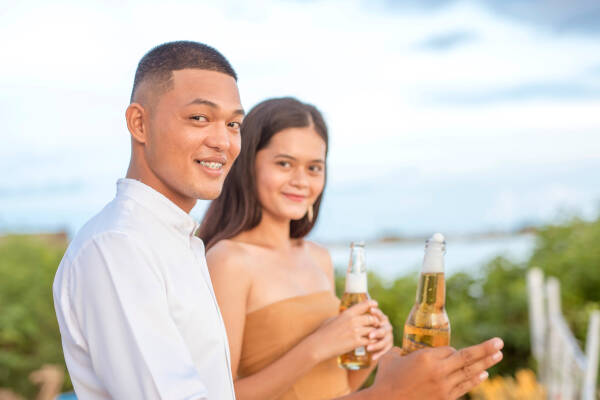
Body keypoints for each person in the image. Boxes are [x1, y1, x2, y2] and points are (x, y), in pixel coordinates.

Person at [199, 97, 505, 400]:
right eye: (284, 164)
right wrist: (319, 344)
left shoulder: (317, 257)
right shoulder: (228, 260)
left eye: (314, 168)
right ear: (247, 164)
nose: (301, 181)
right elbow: (221, 395)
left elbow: (340, 386)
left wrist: (369, 351)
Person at [53, 41, 244, 399]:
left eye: (233, 124)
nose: (224, 141)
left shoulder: (174, 239)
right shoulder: (119, 246)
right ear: (139, 123)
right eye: (199, 118)